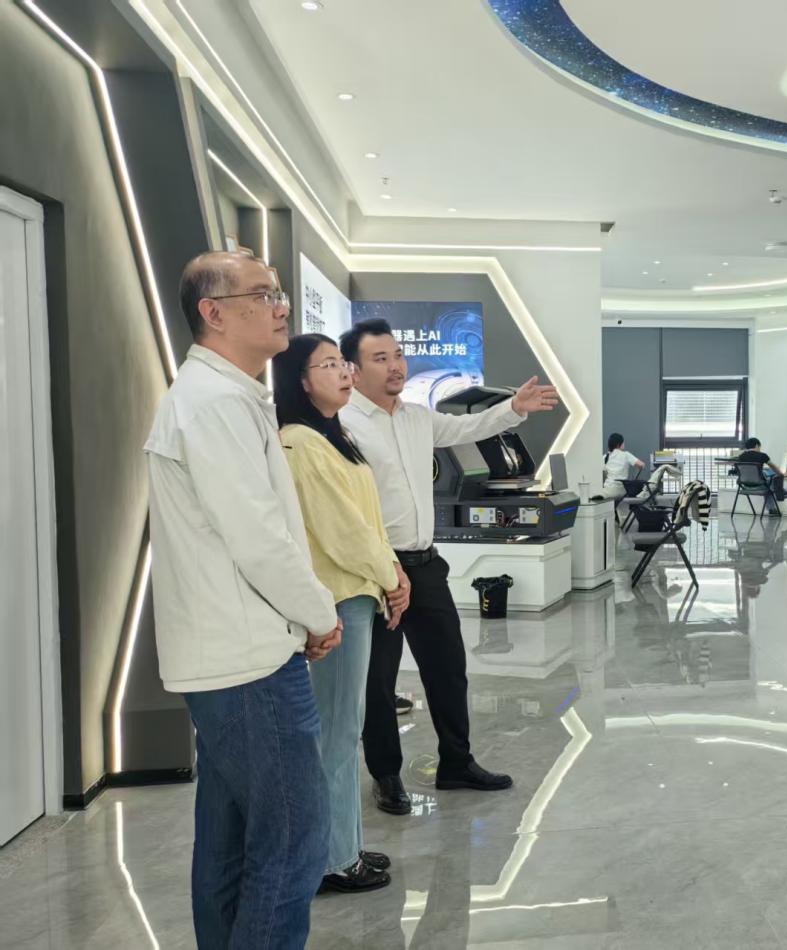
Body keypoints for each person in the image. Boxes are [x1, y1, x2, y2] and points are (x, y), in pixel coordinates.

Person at [145, 251, 341, 948]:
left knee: (231, 843)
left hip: (233, 652)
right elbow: (259, 540)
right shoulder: (216, 403)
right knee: (292, 844)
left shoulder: (219, 395)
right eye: (262, 294)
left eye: (278, 292)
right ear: (214, 312)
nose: (281, 306)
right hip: (249, 661)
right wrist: (319, 614)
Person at [339, 319, 560, 813]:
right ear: (353, 369)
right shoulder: (344, 425)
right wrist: (379, 567)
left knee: (448, 669)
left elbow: (466, 428)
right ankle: (386, 775)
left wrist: (514, 408)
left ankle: (456, 762)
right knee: (378, 681)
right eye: (380, 358)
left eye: (398, 355)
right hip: (376, 571)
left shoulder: (418, 417)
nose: (395, 366)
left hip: (425, 565)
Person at [273, 334, 411, 895]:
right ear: (301, 381)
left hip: (358, 591)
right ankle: (333, 859)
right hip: (337, 598)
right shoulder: (299, 442)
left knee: (344, 726)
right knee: (335, 730)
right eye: (328, 364)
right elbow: (342, 531)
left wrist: (390, 571)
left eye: (341, 362)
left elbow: (366, 521)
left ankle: (344, 843)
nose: (343, 372)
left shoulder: (334, 435)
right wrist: (392, 576)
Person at [736, 437, 787, 511]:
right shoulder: (762, 455)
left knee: (767, 477)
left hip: (745, 484)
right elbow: (773, 466)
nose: (760, 449)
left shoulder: (741, 457)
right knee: (773, 477)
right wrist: (782, 474)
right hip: (759, 484)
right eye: (760, 447)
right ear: (757, 445)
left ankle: (772, 509)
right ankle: (782, 493)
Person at [602, 432, 645, 499]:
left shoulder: (605, 457)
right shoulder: (625, 455)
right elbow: (642, 465)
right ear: (619, 444)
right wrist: (634, 476)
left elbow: (603, 474)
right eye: (623, 443)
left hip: (607, 488)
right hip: (620, 489)